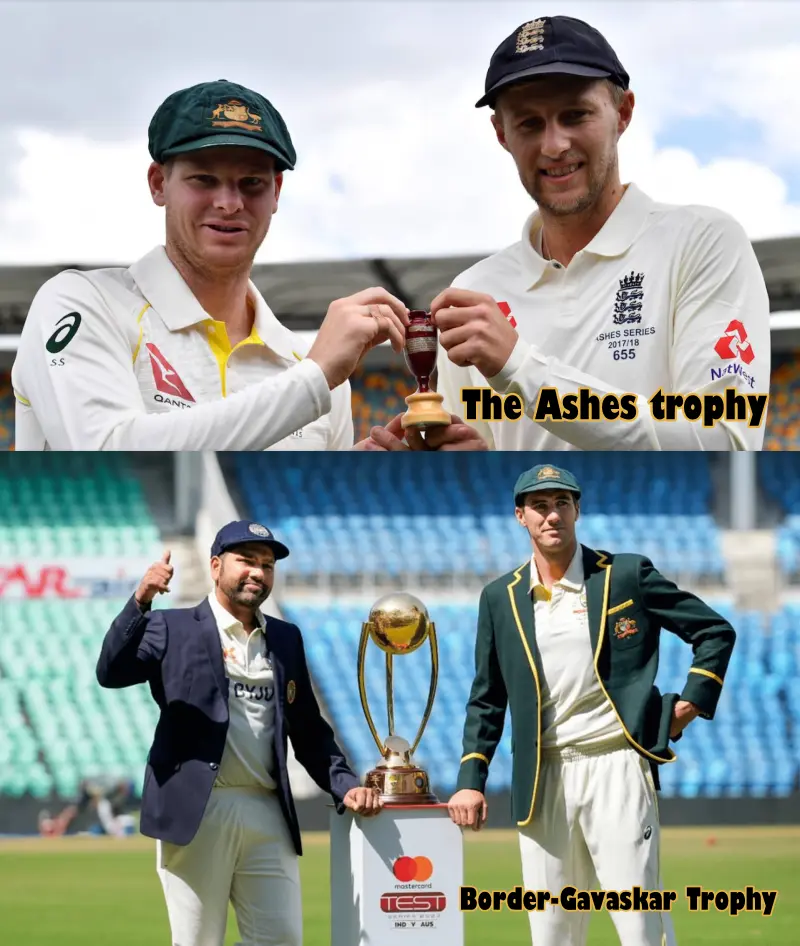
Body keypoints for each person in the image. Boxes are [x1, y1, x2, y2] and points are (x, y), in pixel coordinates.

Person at [429, 15, 770, 451]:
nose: (555, 145)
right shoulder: (476, 291)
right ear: (501, 135)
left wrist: (519, 369)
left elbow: (723, 445)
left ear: (623, 112)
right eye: (530, 124)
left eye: (575, 115)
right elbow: (490, 489)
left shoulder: (702, 243)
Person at [11, 79, 409, 451]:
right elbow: (105, 451)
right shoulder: (80, 304)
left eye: (251, 182)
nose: (229, 202)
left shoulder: (307, 366)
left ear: (276, 193)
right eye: (203, 179)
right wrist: (312, 379)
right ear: (158, 184)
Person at [447, 463, 736, 946]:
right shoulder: (500, 597)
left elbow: (714, 630)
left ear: (577, 510)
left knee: (640, 925)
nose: (551, 515)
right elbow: (487, 696)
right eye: (539, 506)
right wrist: (470, 781)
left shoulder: (625, 574)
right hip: (543, 776)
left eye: (561, 503)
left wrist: (690, 704)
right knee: (551, 933)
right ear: (520, 516)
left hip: (617, 765)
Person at [96, 520, 381, 946]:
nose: (258, 572)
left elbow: (307, 728)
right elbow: (111, 672)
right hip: (198, 809)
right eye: (246, 560)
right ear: (215, 566)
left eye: (267, 564)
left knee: (282, 939)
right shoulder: (171, 626)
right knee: (197, 941)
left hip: (268, 809)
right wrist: (140, 601)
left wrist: (344, 784)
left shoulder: (285, 637)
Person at [38, 776, 137, 838]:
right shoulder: (110, 788)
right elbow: (96, 794)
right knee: (102, 810)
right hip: (94, 798)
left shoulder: (113, 792)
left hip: (95, 800)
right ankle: (56, 829)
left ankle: (58, 828)